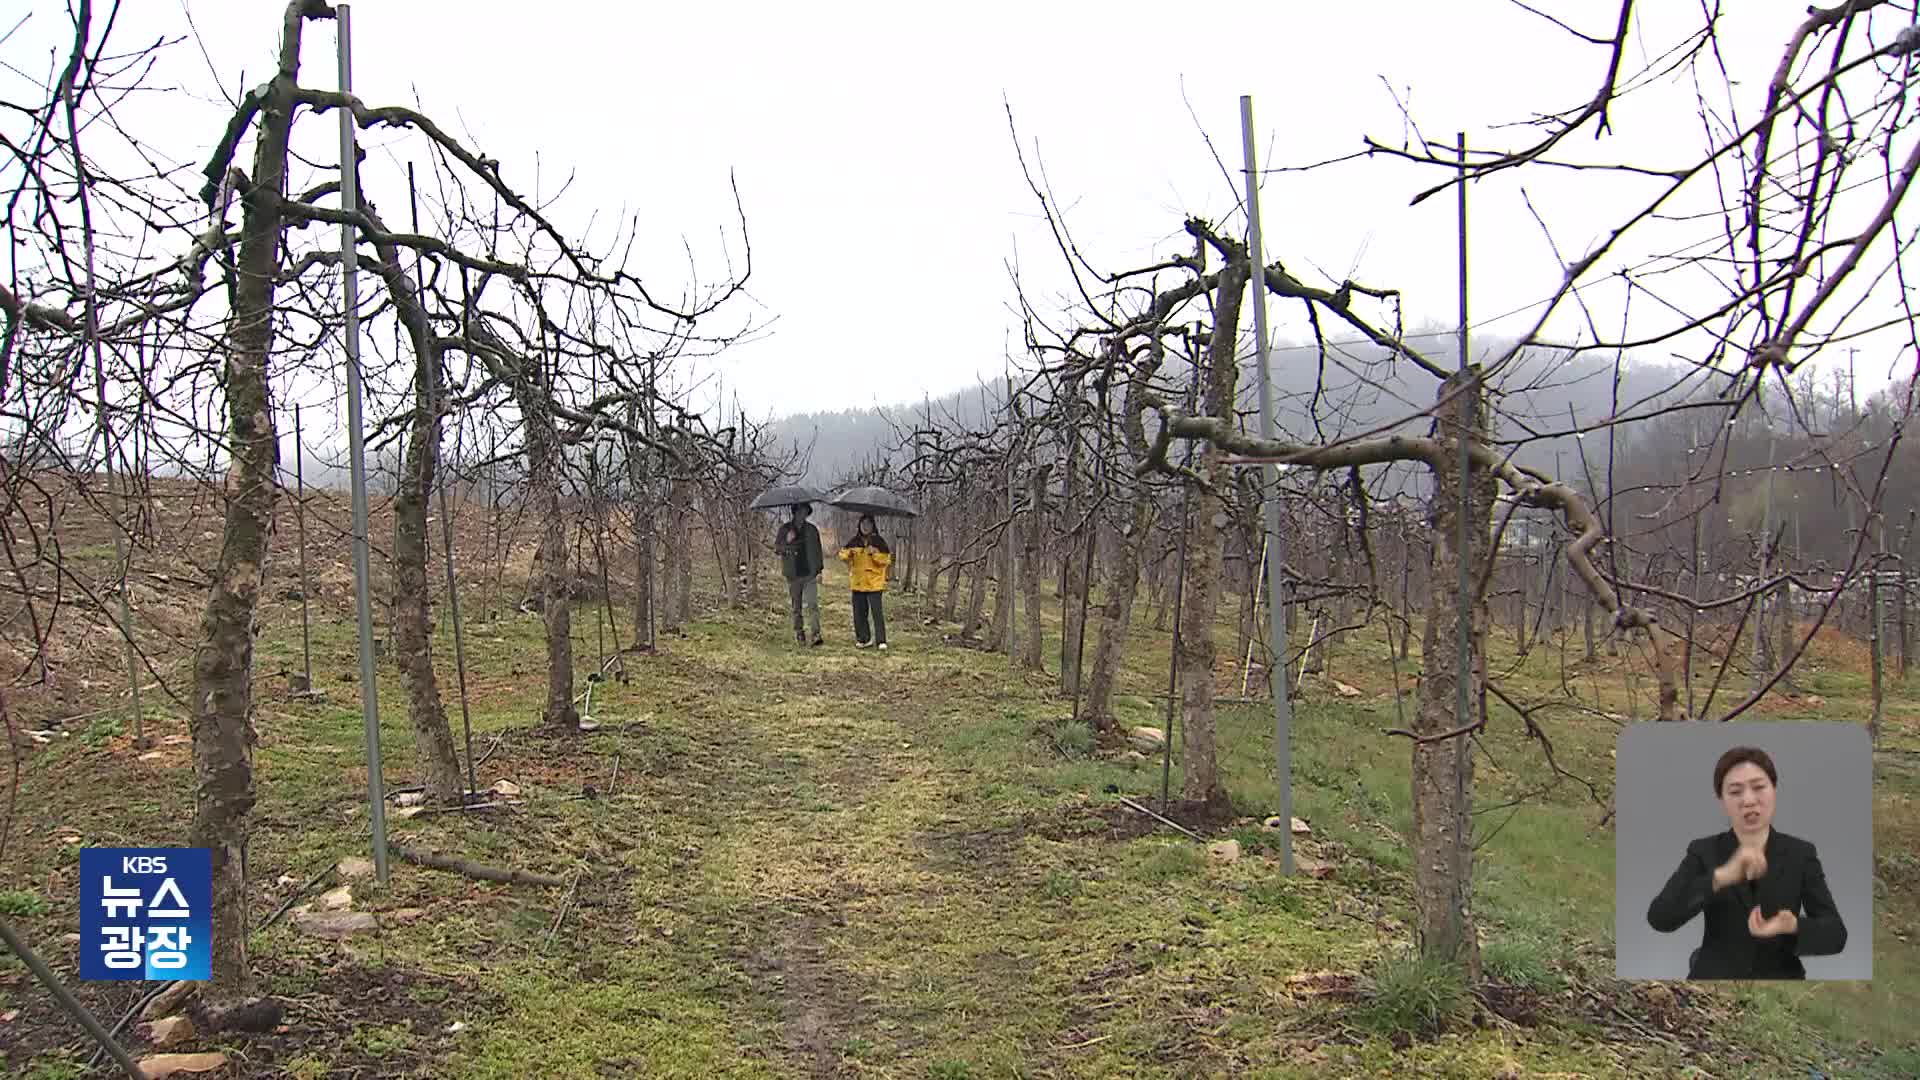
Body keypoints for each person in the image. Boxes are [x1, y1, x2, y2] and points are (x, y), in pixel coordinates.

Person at [1645, 745, 1847, 979]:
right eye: (1735, 791)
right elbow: (1660, 917)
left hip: (1781, 983)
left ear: (1774, 789)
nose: (1749, 800)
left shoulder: (1801, 854)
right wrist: (1721, 877)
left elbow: (1836, 935)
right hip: (1714, 981)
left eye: (1759, 787)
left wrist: (1792, 926)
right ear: (1721, 799)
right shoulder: (1704, 851)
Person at [836, 513, 893, 650]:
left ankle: (881, 641)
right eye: (863, 524)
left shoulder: (879, 542)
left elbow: (886, 560)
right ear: (859, 526)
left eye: (868, 524)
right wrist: (848, 555)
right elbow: (842, 554)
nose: (865, 527)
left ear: (873, 526)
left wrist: (875, 554)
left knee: (876, 613)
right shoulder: (854, 541)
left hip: (874, 583)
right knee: (859, 613)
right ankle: (863, 639)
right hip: (858, 582)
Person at [775, 503, 823, 646]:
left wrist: (820, 570)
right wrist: (787, 541)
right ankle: (799, 633)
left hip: (809, 574)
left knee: (812, 604)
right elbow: (777, 548)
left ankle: (816, 634)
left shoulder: (812, 530)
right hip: (793, 574)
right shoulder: (785, 529)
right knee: (797, 607)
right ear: (795, 512)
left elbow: (818, 551)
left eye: (805, 512)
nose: (802, 514)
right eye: (800, 511)